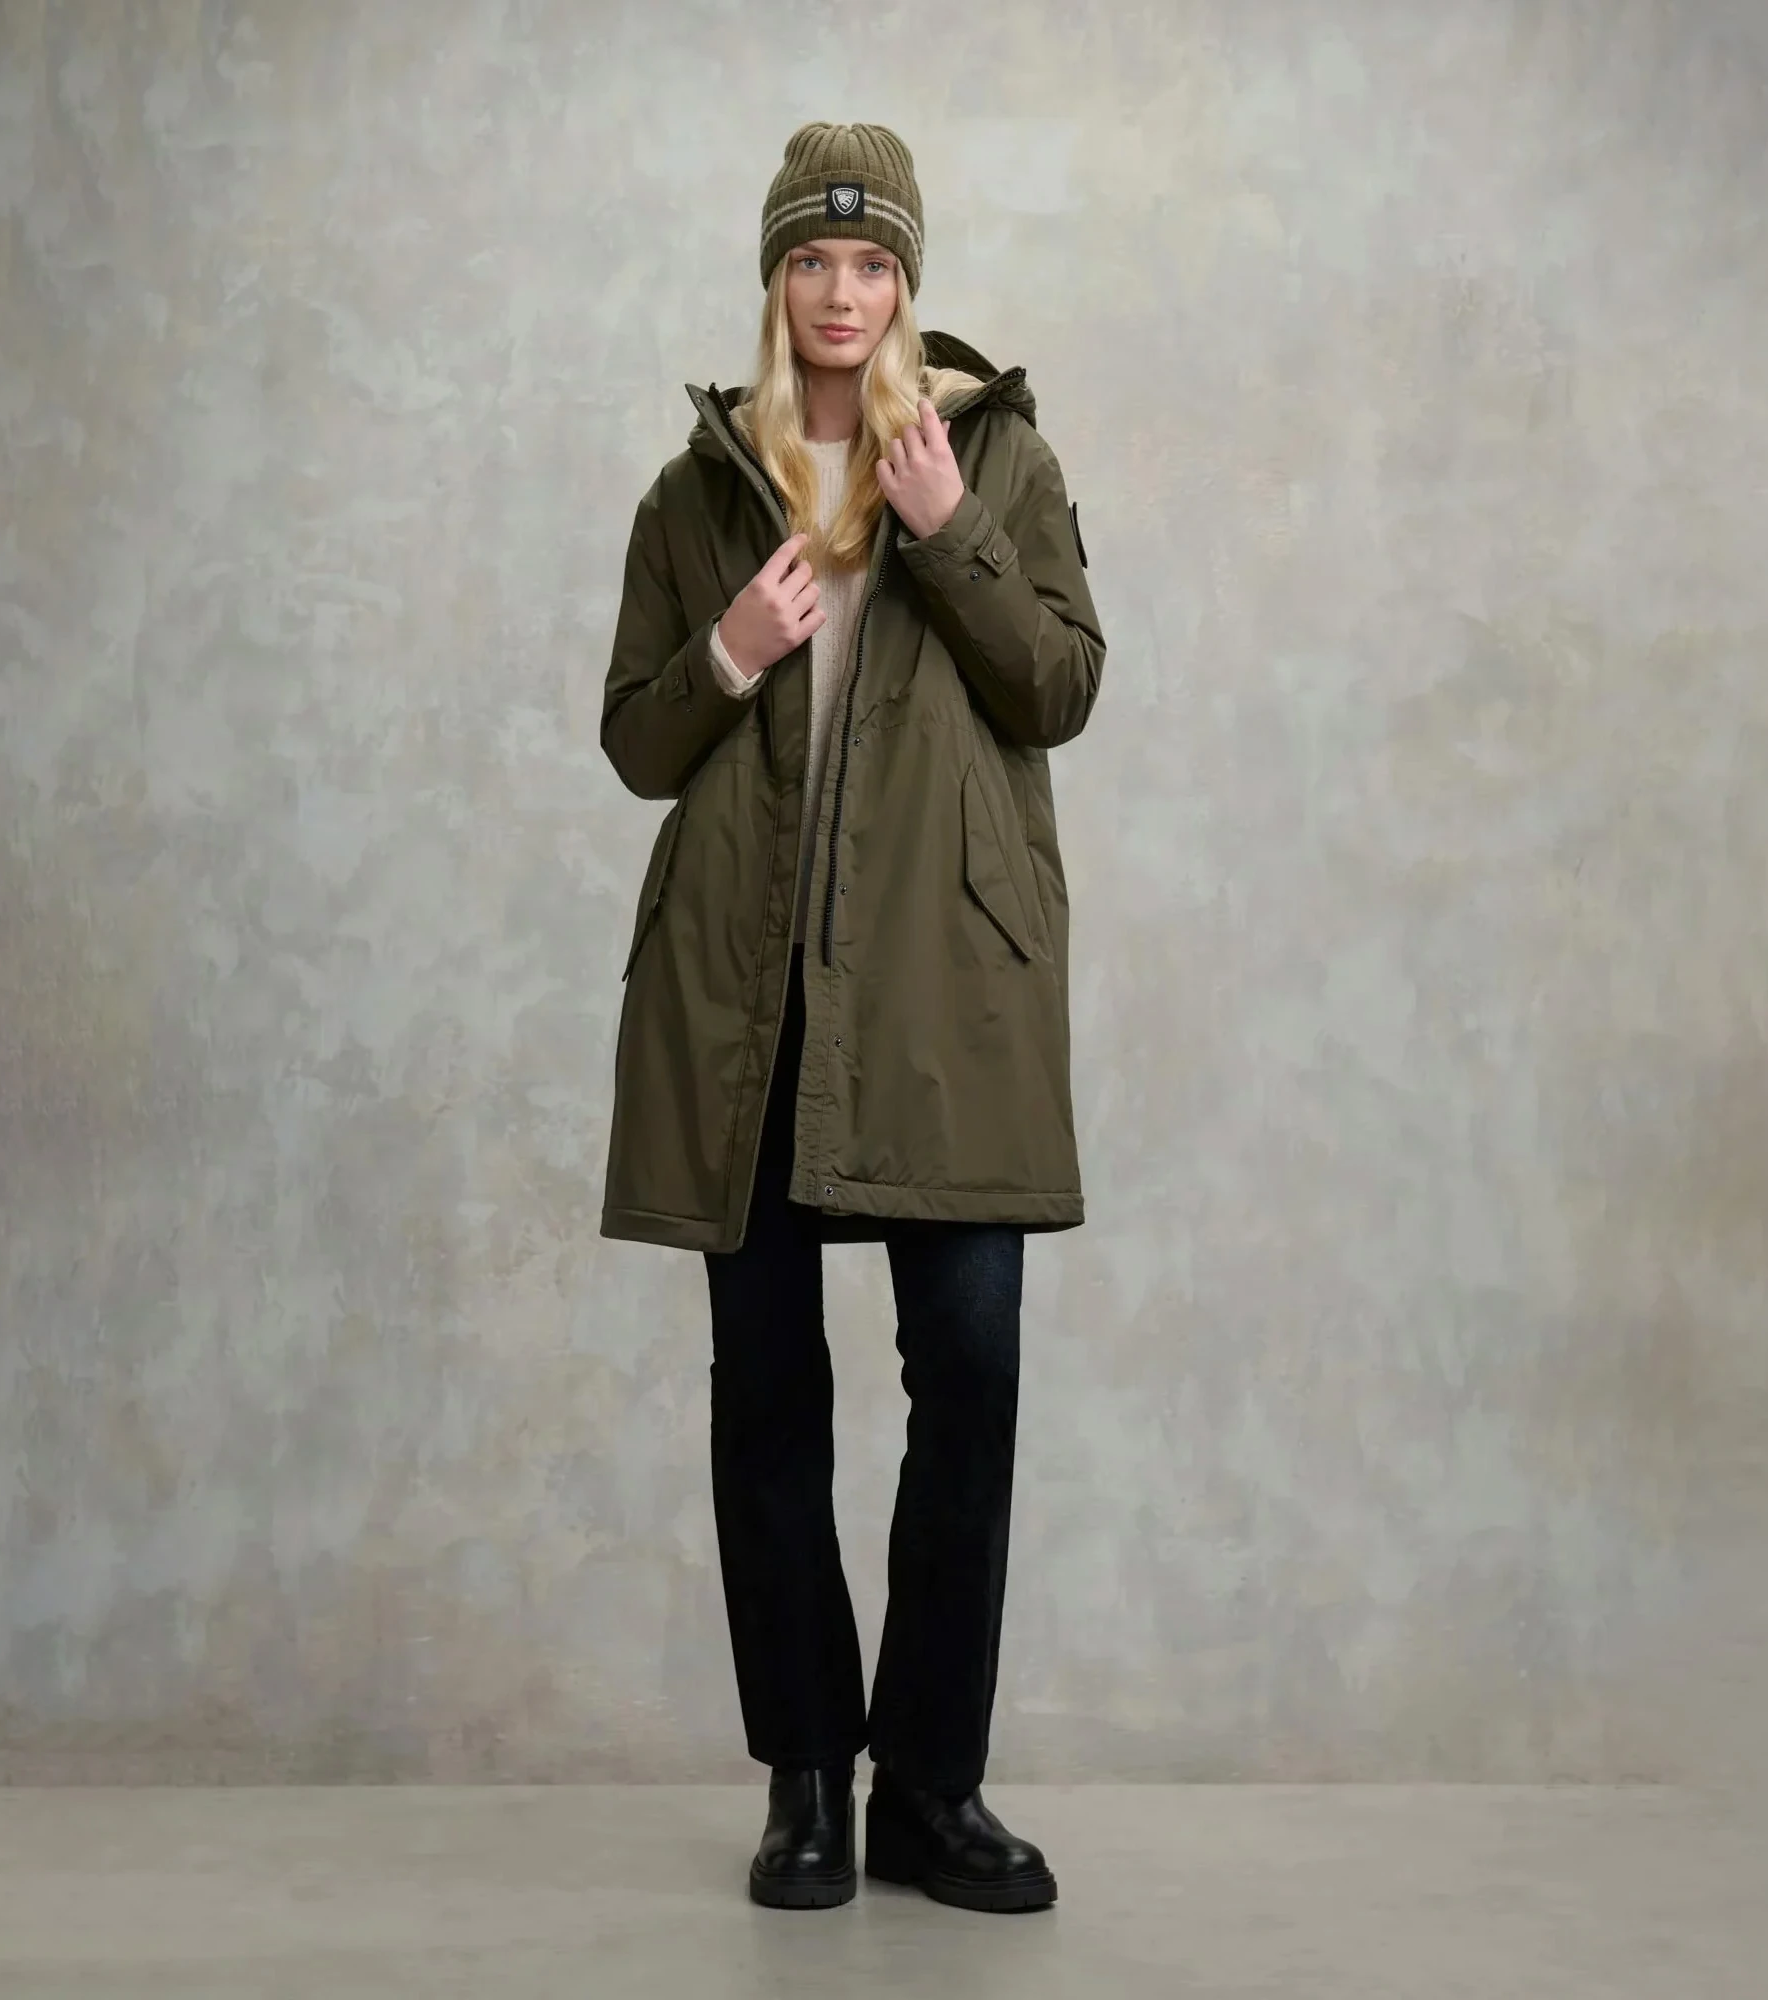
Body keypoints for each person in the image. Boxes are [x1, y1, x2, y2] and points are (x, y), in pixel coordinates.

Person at [597, 120, 1105, 1914]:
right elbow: (636, 741)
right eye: (810, 259)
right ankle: (806, 1780)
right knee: (768, 1394)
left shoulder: (995, 458)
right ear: (775, 276)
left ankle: (933, 1790)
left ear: (908, 280)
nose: (839, 292)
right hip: (748, 996)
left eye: (871, 261)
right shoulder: (698, 493)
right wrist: (731, 650)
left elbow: (1060, 687)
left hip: (944, 988)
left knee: (967, 1376)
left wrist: (953, 536)